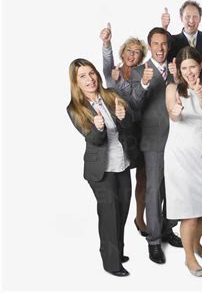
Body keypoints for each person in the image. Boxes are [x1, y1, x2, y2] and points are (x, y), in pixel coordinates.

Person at [66, 58, 138, 277]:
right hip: (101, 171)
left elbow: (129, 124)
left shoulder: (111, 95)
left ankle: (114, 251)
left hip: (122, 163)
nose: (89, 79)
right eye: (83, 76)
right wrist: (97, 128)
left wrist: (124, 117)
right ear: (76, 82)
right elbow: (95, 140)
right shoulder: (75, 109)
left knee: (123, 210)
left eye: (91, 73)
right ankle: (111, 263)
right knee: (109, 214)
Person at [164, 46, 202, 277]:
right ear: (179, 70)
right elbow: (172, 114)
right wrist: (176, 111)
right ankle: (189, 259)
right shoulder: (171, 88)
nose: (189, 71)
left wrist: (201, 95)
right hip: (179, 156)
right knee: (188, 213)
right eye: (184, 68)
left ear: (201, 66)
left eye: (192, 66)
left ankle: (196, 243)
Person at [129, 27, 183, 265]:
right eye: (156, 44)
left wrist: (178, 78)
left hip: (178, 139)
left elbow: (185, 98)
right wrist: (142, 84)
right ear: (149, 46)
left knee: (173, 188)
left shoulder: (174, 70)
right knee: (153, 190)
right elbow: (133, 105)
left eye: (164, 44)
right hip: (152, 141)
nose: (160, 48)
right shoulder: (139, 71)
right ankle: (153, 241)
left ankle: (167, 228)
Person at [99, 22, 149, 236]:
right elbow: (107, 60)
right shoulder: (112, 71)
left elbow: (136, 103)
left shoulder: (141, 74)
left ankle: (140, 217)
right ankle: (118, 223)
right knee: (120, 179)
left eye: (137, 52)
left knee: (143, 177)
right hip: (117, 131)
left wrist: (124, 84)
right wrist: (107, 42)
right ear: (123, 52)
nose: (132, 55)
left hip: (138, 129)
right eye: (129, 50)